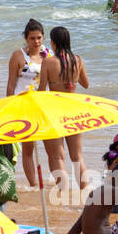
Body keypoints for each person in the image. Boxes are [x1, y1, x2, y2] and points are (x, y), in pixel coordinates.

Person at [37, 27, 89, 187]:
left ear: (53, 43)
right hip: (74, 110)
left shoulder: (48, 62)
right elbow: (85, 84)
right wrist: (71, 77)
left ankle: (63, 194)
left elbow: (42, 91)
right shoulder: (78, 60)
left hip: (55, 111)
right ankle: (84, 192)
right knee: (77, 156)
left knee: (58, 157)